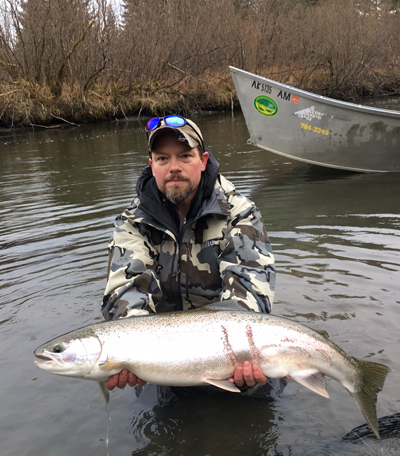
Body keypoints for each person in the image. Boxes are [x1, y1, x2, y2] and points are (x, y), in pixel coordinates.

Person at [101, 115, 278, 396]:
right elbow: (126, 290)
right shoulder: (132, 223)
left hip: (238, 362)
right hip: (164, 366)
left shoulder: (239, 213)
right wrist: (127, 353)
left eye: (185, 156)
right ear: (152, 165)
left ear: (204, 160)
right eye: (162, 159)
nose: (174, 168)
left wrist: (236, 355)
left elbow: (250, 293)